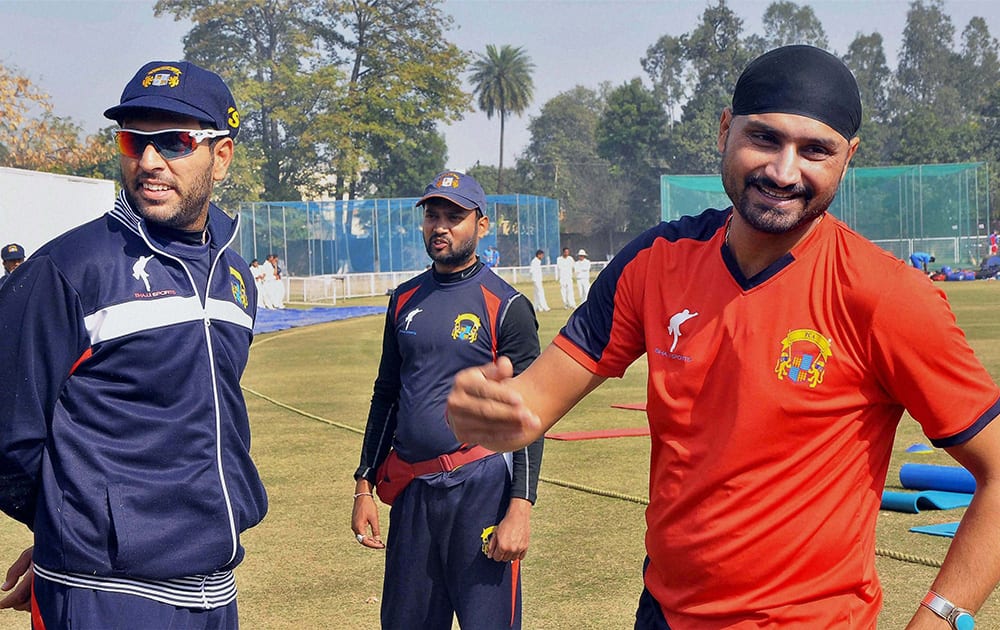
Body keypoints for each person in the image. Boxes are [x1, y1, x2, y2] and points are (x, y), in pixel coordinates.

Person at [444, 45, 1000, 629]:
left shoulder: (887, 297)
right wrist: (489, 413)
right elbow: (531, 404)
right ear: (725, 130)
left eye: (815, 150)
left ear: (848, 158)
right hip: (662, 613)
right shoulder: (655, 262)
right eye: (764, 138)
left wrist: (942, 618)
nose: (784, 172)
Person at [0, 60, 267, 628]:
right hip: (103, 593)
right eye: (132, 140)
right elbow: (8, 435)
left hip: (215, 589)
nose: (148, 162)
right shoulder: (67, 269)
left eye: (172, 142)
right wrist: (67, 528)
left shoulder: (235, 275)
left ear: (221, 156)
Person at [352, 170, 543, 629]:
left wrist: (520, 507)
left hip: (480, 489)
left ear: (481, 224)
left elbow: (531, 415)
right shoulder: (404, 299)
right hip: (414, 492)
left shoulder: (507, 305)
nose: (440, 226)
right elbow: (387, 394)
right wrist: (364, 484)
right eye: (433, 215)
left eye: (454, 216)